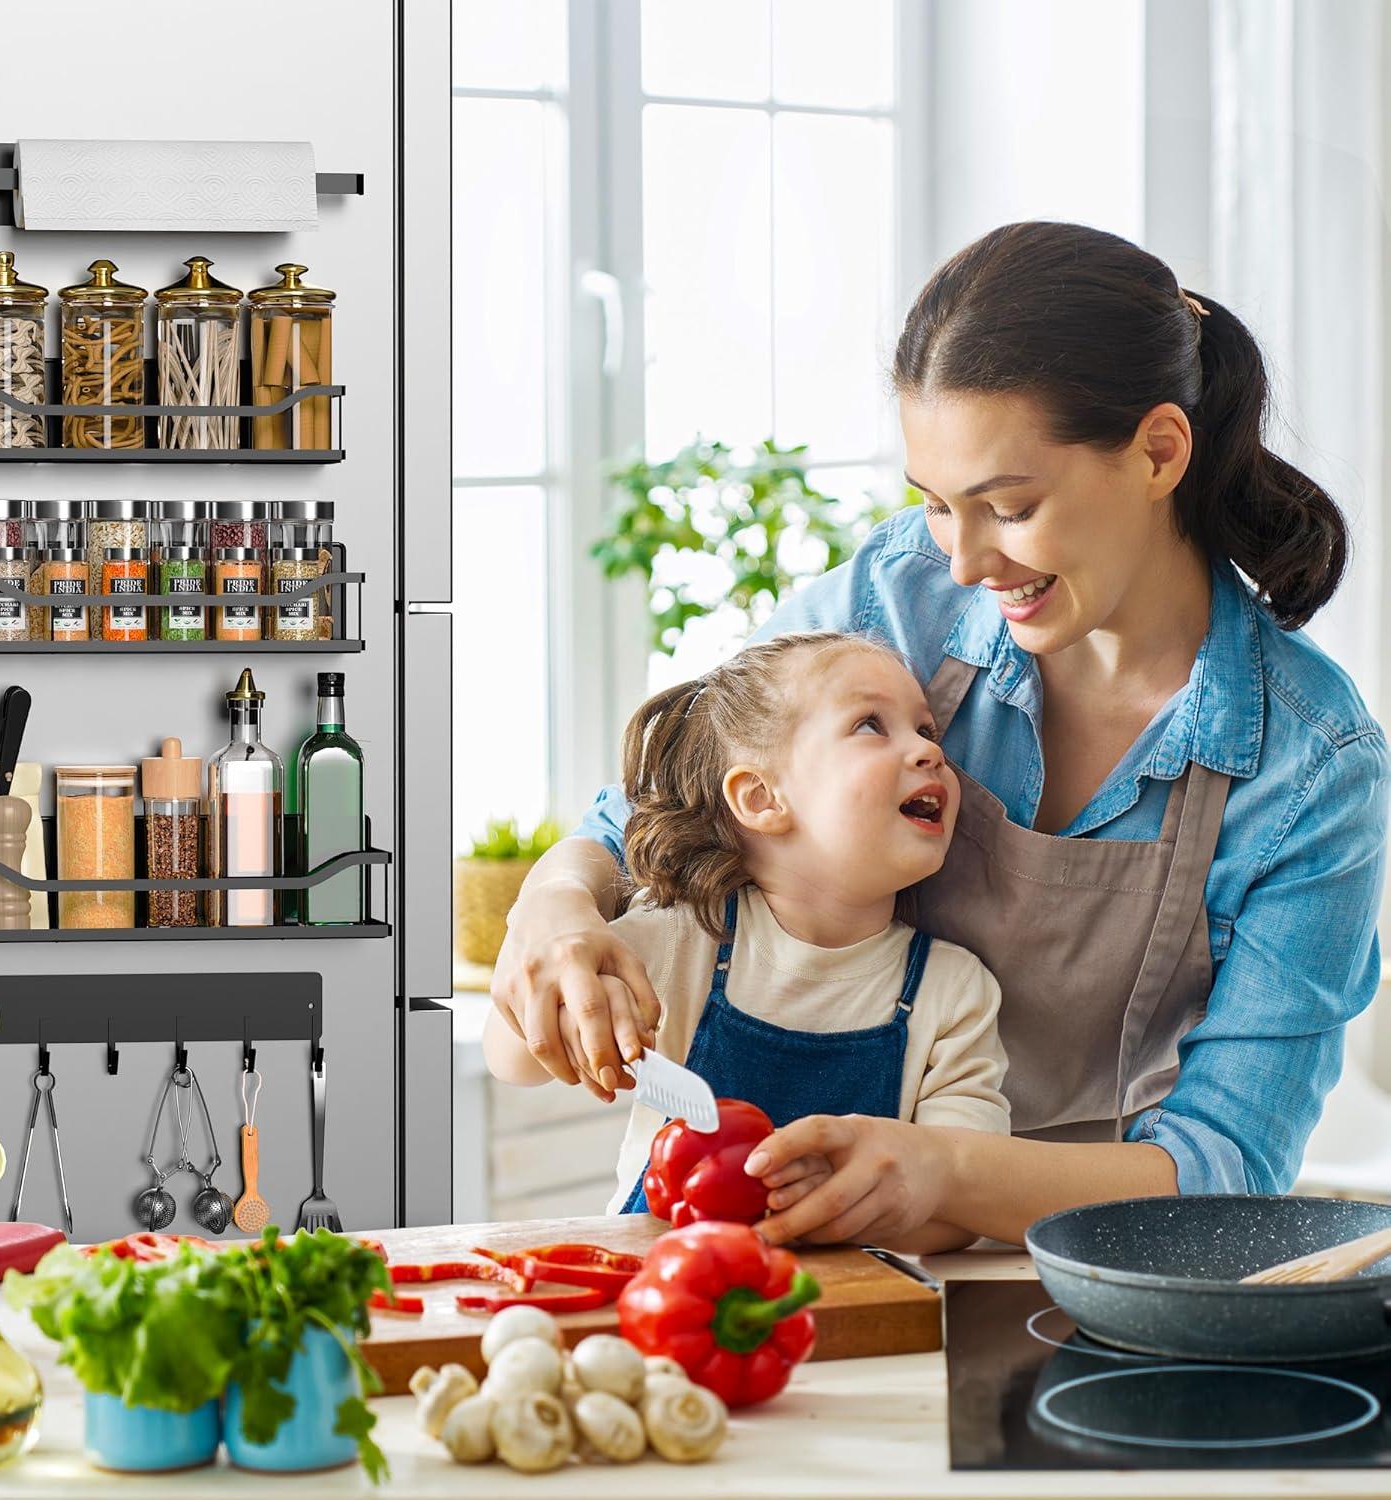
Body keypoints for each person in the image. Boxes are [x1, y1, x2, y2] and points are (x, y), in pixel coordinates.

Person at [492, 220, 1389, 1250]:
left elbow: (1226, 1168)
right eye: (935, 507)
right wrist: (556, 906)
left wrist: (944, 1169)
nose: (965, 563)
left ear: (1158, 453)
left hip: (1087, 1269)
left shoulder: (1313, 768)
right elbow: (655, 809)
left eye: (1008, 507)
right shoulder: (899, 596)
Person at [483, 632, 1010, 1252]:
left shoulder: (954, 992)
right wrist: (567, 1011)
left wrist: (846, 1199)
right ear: (761, 799)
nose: (929, 752)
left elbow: (963, 1206)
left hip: (854, 1301)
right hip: (663, 1285)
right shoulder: (682, 938)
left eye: (926, 730)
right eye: (871, 725)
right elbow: (512, 1062)